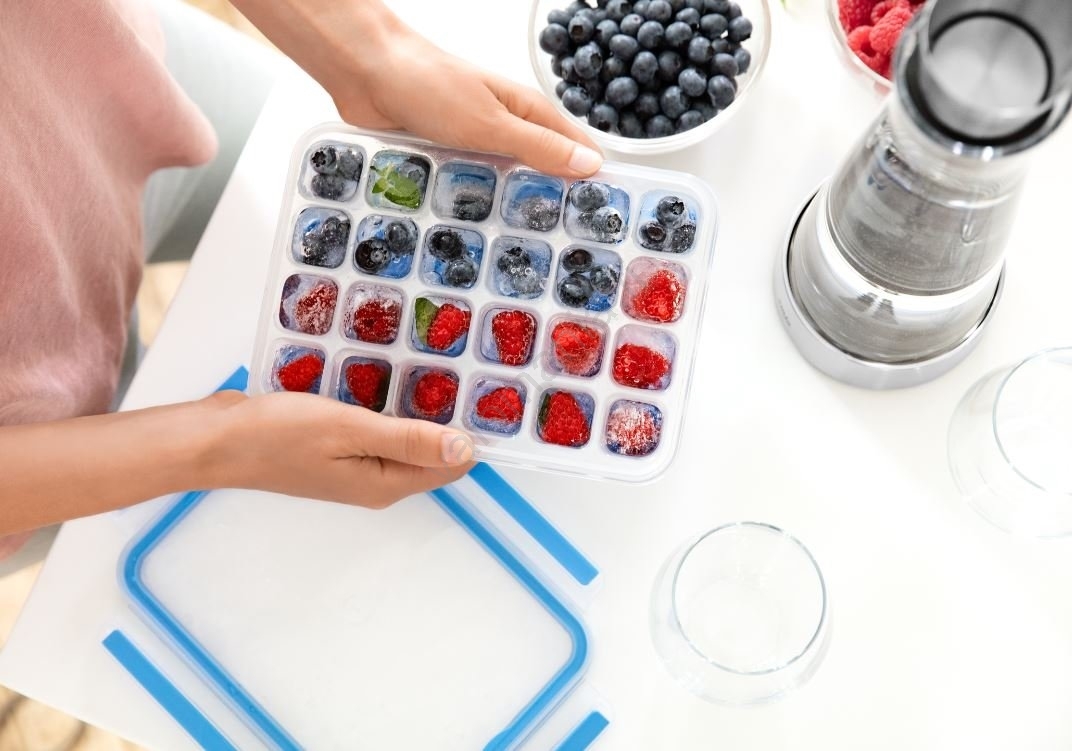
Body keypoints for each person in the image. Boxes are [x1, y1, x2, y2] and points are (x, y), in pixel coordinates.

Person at [0, 0, 603, 569]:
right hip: (30, 429)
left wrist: (372, 52)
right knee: (103, 552)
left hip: (92, 65)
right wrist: (216, 446)